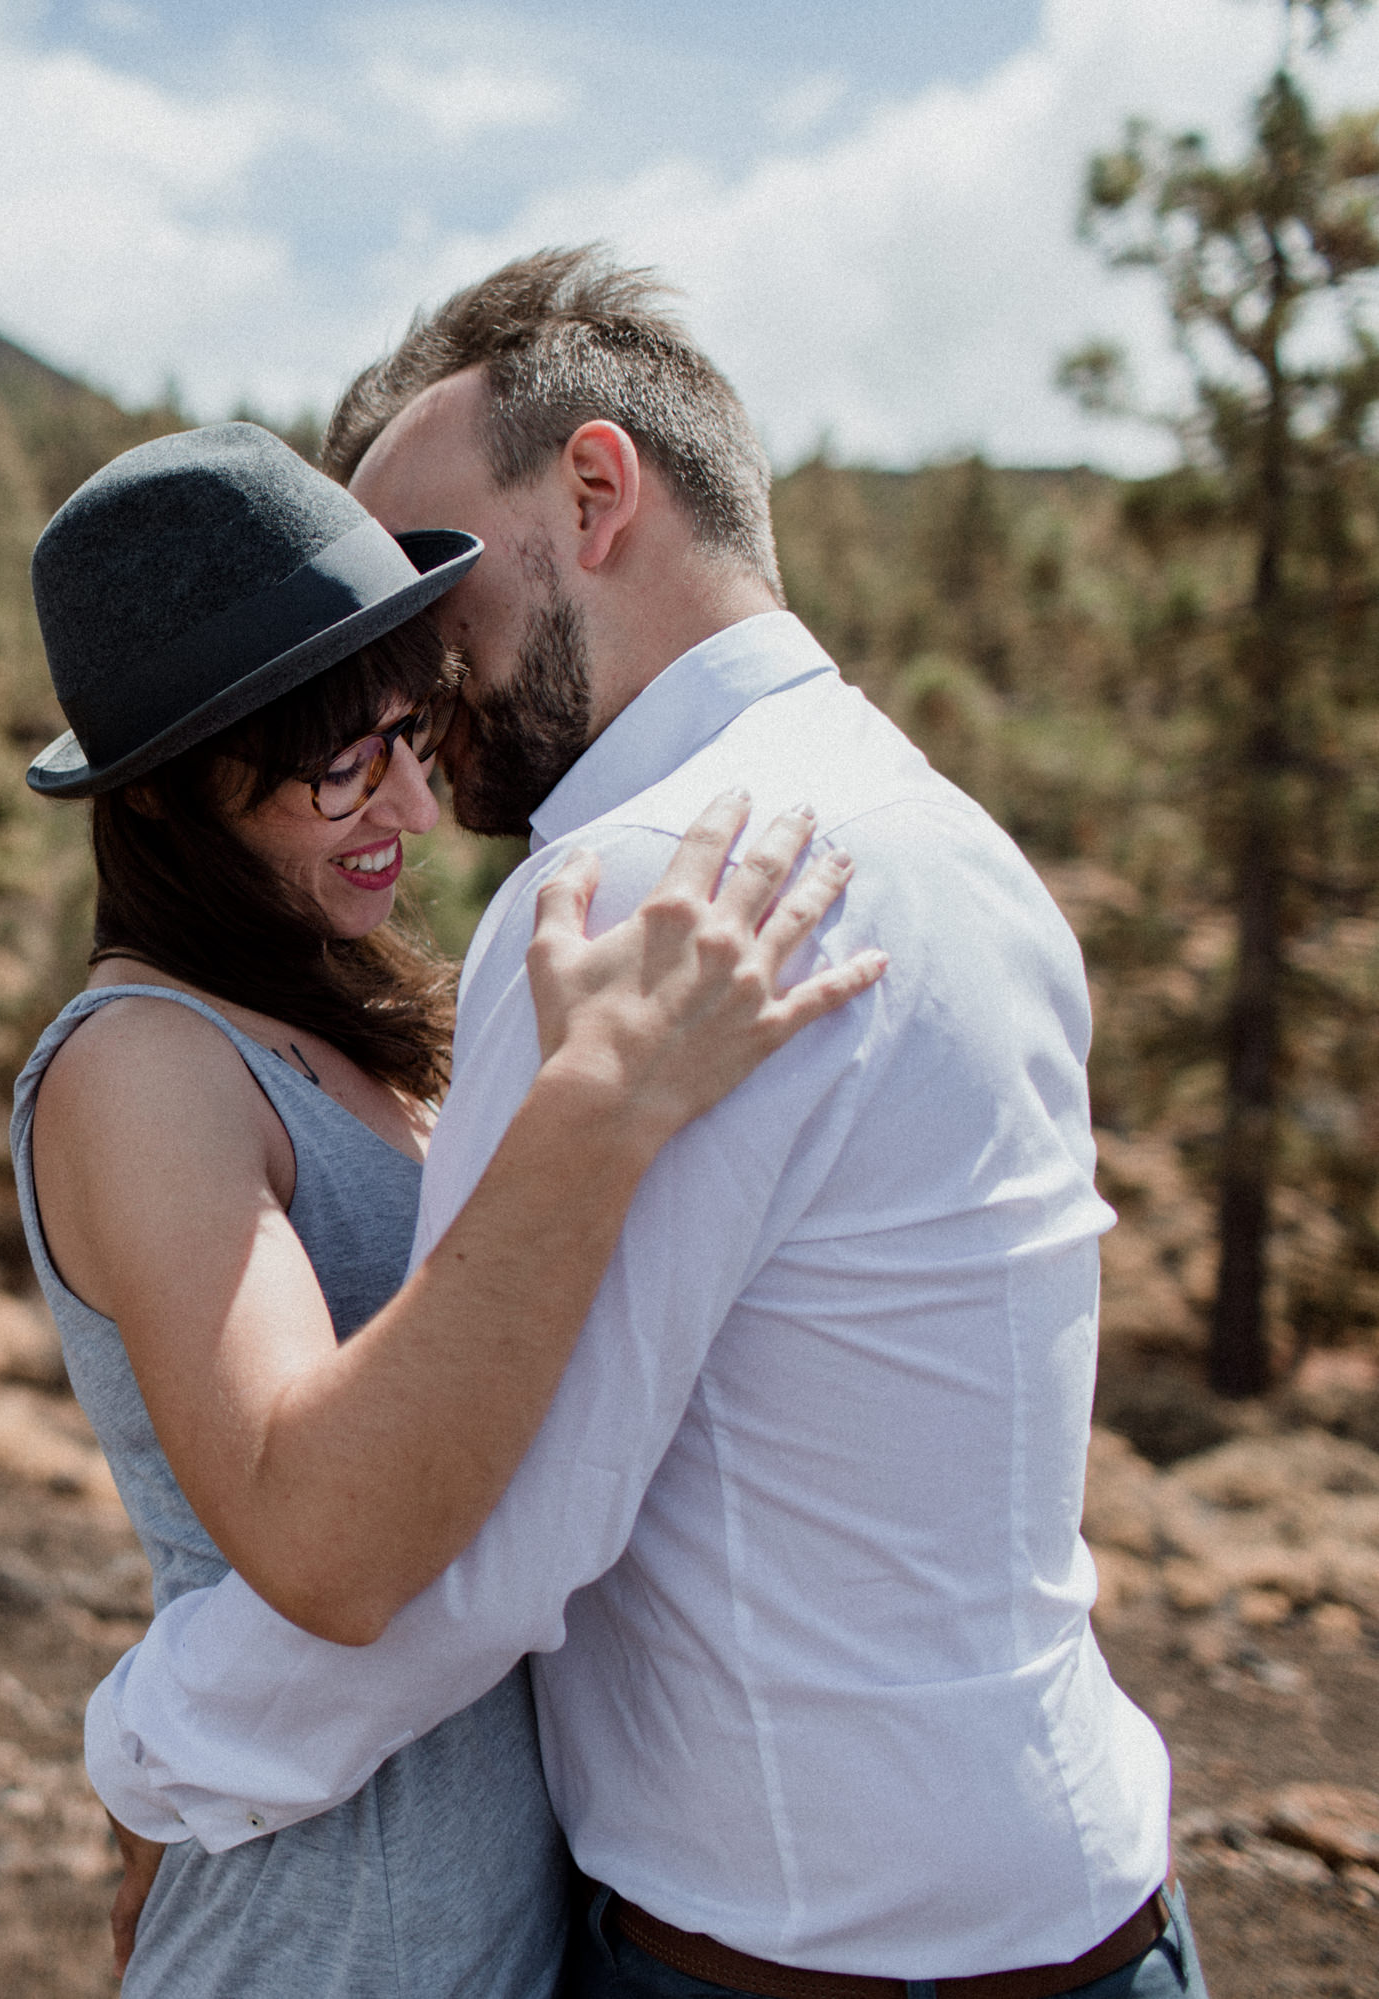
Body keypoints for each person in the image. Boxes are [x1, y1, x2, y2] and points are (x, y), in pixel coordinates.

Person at [82, 249, 1199, 1999]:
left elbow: (489, 1545)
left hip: (786, 1954)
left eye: (426, 576)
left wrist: (148, 1748)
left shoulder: (633, 888)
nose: (407, 667)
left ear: (596, 490)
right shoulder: (962, 844)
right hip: (1101, 1909)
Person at [11, 416, 881, 1997]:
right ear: (159, 800)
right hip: (317, 1945)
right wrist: (594, 1109)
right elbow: (323, 1541)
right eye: (338, 762)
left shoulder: (347, 1037)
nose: (408, 811)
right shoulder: (144, 1066)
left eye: (413, 733)